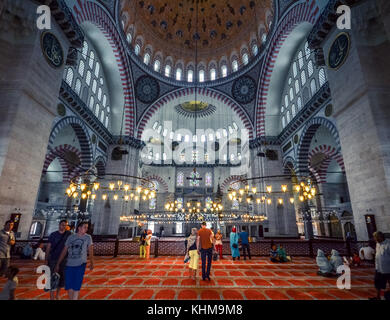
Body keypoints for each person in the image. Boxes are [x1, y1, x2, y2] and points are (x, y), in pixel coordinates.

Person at [55, 221, 94, 300]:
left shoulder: (88, 237)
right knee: (69, 285)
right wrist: (58, 263)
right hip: (69, 264)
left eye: (87, 227)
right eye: (85, 227)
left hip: (81, 264)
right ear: (79, 228)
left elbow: (90, 250)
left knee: (76, 285)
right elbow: (64, 250)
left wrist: (92, 262)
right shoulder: (71, 237)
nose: (86, 229)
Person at [46, 219, 71, 300]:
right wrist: (46, 259)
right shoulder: (53, 235)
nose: (64, 226)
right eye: (62, 225)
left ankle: (57, 294)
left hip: (64, 260)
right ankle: (52, 296)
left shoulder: (68, 235)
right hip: (53, 258)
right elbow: (49, 247)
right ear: (59, 225)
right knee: (53, 277)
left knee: (61, 278)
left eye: (65, 225)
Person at [370, 231, 390, 300]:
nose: (374, 239)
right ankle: (378, 297)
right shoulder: (377, 244)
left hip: (387, 269)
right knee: (377, 283)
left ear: (380, 237)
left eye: (375, 238)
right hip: (378, 268)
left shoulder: (388, 244)